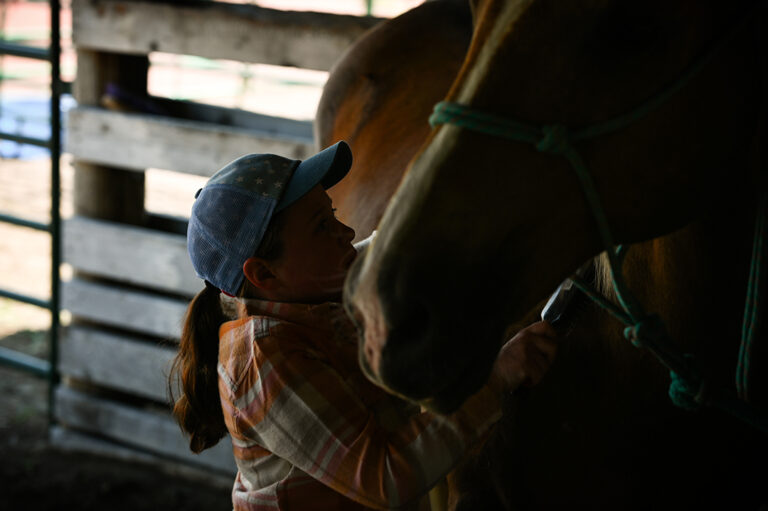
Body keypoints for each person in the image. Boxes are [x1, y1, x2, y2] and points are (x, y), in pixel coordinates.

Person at [170, 141, 558, 510]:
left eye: (334, 214)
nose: (347, 233)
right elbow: (386, 476)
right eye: (323, 226)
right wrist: (497, 378)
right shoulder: (265, 359)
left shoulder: (304, 292)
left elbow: (380, 250)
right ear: (263, 273)